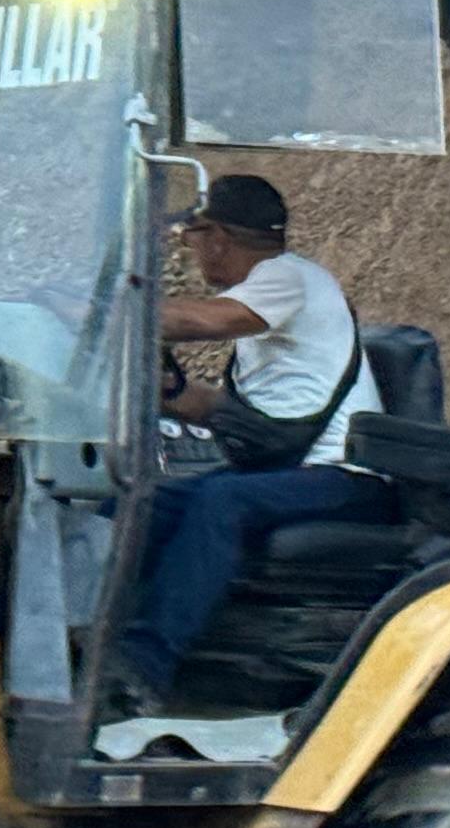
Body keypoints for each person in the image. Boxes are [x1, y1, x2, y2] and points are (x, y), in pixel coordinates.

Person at [115, 174, 393, 688]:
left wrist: (108, 309)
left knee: (223, 500)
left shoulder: (287, 277)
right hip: (292, 467)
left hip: (345, 477)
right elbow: (246, 418)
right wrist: (166, 391)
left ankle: (142, 666)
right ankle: (96, 642)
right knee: (138, 507)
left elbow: (205, 322)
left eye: (193, 238)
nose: (194, 253)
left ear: (217, 237)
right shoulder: (278, 303)